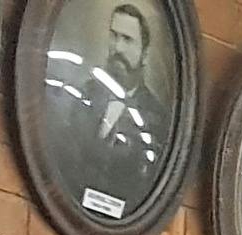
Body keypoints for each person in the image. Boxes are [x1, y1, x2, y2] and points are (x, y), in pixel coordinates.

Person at [57, 0, 167, 206]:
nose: (118, 47)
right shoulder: (84, 94)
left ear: (144, 53)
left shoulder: (157, 118)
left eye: (127, 39)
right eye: (114, 36)